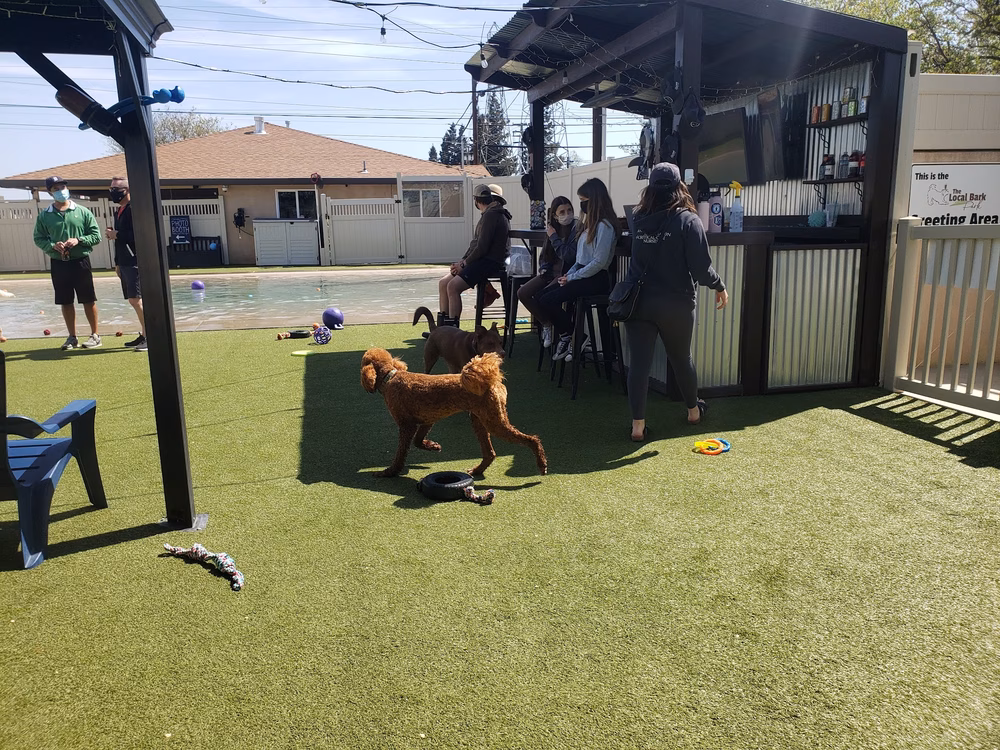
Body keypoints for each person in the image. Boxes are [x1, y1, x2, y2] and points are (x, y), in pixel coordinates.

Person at [622, 162, 729, 441]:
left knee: (639, 365)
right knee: (682, 358)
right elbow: (701, 270)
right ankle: (694, 412)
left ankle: (637, 427)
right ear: (680, 185)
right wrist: (719, 286)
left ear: (650, 187)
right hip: (676, 304)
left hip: (638, 302)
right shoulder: (688, 220)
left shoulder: (638, 217)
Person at [536, 178, 619, 361]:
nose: (581, 205)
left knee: (549, 300)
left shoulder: (605, 226)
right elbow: (580, 259)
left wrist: (573, 277)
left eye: (583, 200)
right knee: (541, 298)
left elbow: (598, 262)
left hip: (596, 279)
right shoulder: (587, 225)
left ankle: (574, 336)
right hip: (582, 275)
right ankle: (570, 335)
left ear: (594, 200)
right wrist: (569, 275)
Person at [32, 176, 102, 350]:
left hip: (81, 261)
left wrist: (79, 240)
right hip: (59, 262)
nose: (61, 190)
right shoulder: (44, 216)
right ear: (50, 192)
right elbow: (38, 238)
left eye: (63, 186)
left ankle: (95, 335)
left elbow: (96, 236)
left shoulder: (83, 211)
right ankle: (72, 337)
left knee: (88, 299)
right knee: (65, 301)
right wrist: (51, 246)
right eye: (56, 188)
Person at [433, 183, 511, 329]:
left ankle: (452, 332)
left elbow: (482, 248)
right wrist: (462, 261)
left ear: (476, 200)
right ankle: (442, 331)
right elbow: (476, 244)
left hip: (489, 261)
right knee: (443, 283)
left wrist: (463, 264)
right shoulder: (488, 214)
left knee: (453, 287)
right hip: (481, 259)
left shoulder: (492, 215)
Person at [516, 196, 579, 349]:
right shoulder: (552, 229)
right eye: (562, 212)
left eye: (569, 210)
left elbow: (569, 255)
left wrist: (555, 238)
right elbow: (545, 255)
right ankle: (546, 324)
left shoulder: (577, 229)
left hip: (565, 274)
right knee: (522, 292)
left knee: (543, 296)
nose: (567, 214)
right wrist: (544, 268)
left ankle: (566, 333)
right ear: (555, 215)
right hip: (549, 272)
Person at [105, 176, 147, 352]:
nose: (113, 191)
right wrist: (117, 263)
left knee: (135, 300)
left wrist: (117, 234)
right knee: (134, 300)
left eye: (117, 188)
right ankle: (145, 334)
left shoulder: (134, 209)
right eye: (112, 188)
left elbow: (140, 234)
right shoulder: (119, 211)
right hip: (124, 262)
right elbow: (120, 239)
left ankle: (151, 335)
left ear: (127, 190)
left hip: (134, 261)